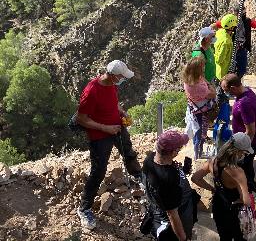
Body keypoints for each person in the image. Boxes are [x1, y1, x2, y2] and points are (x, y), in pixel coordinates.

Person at [76, 60, 142, 230]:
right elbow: (81, 119)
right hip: (100, 135)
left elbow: (113, 103)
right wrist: (106, 128)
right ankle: (84, 208)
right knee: (98, 171)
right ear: (113, 76)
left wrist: (121, 112)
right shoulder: (91, 91)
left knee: (129, 153)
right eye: (122, 77)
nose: (124, 80)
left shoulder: (112, 85)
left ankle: (138, 176)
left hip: (117, 127)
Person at [192, 133, 254, 241]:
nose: (245, 155)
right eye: (245, 152)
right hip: (234, 212)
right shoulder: (238, 172)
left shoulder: (212, 161)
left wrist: (212, 188)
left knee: (224, 237)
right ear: (237, 151)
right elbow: (246, 201)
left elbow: (195, 178)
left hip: (218, 207)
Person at [220, 73, 256, 211]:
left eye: (227, 90)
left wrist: (242, 151)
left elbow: (250, 130)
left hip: (246, 145)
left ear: (234, 87)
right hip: (245, 142)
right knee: (246, 170)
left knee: (244, 173)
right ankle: (248, 193)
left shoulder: (244, 103)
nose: (226, 93)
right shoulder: (247, 91)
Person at [142, 130, 200, 241]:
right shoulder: (168, 180)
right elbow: (172, 215)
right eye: (179, 148)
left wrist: (174, 166)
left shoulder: (150, 159)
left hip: (159, 208)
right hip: (178, 213)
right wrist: (182, 238)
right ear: (174, 152)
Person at [212, 7, 256, 79]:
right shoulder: (230, 21)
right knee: (229, 69)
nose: (243, 15)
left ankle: (236, 81)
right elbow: (216, 25)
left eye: (244, 13)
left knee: (242, 70)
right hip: (230, 50)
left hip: (242, 49)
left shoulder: (247, 21)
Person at [182, 57, 217, 159]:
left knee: (198, 132)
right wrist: (210, 86)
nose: (204, 68)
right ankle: (198, 155)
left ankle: (198, 152)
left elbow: (204, 81)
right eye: (202, 66)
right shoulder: (199, 87)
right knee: (200, 134)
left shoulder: (189, 79)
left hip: (194, 109)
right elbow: (213, 94)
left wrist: (207, 84)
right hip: (201, 112)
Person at [215, 13, 238, 80]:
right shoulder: (226, 42)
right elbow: (219, 59)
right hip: (222, 74)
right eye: (234, 27)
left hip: (217, 70)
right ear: (231, 27)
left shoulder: (219, 32)